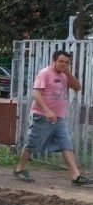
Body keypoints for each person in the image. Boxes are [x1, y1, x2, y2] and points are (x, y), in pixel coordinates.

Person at [14, 50, 90, 185]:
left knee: (66, 144)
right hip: (41, 116)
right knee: (31, 144)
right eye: (61, 61)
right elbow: (36, 94)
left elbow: (78, 87)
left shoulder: (65, 75)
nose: (63, 64)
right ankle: (19, 169)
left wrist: (68, 73)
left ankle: (76, 176)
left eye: (67, 62)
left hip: (59, 118)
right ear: (53, 61)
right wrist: (47, 111)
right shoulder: (45, 73)